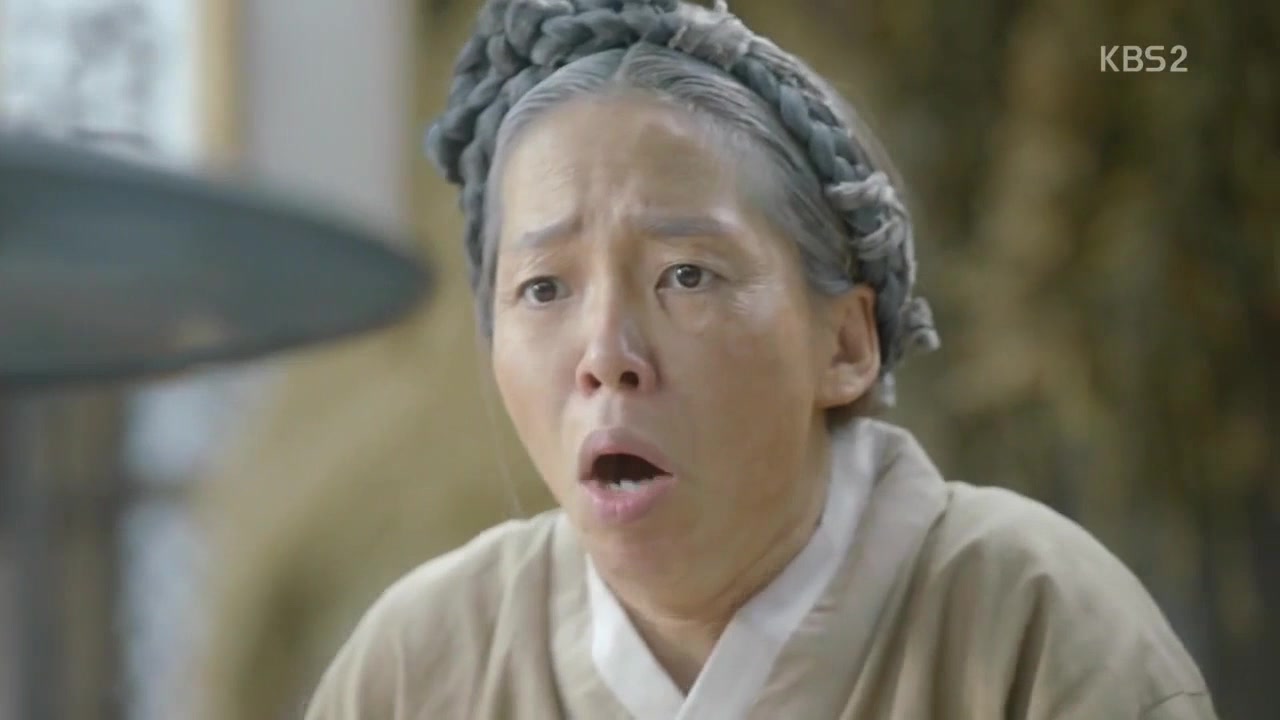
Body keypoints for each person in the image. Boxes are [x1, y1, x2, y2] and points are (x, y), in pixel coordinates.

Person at [304, 1, 1216, 717]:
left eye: (687, 275)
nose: (607, 356)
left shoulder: (1035, 623)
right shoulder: (421, 662)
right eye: (544, 289)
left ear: (845, 345)